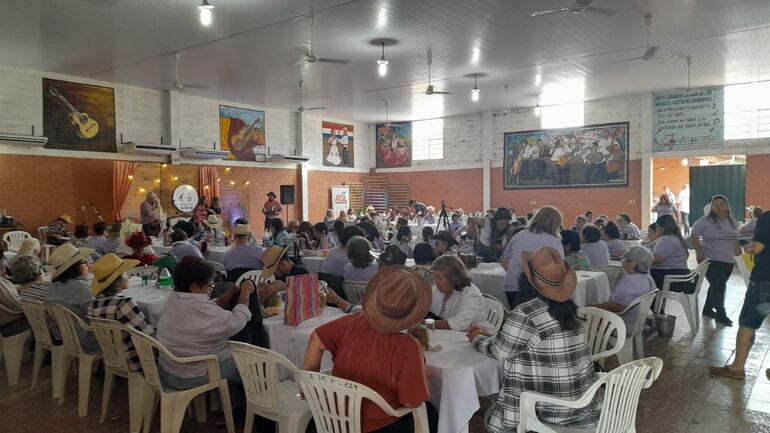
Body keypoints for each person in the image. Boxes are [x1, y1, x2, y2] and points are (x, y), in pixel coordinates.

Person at [467, 246, 599, 433]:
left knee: (491, 416)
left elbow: (497, 351)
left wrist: (476, 338)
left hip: (547, 411)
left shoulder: (527, 313)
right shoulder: (570, 310)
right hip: (579, 405)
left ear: (526, 281)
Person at [304, 266, 431, 433]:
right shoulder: (408, 346)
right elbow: (412, 402)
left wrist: (309, 384)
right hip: (375, 426)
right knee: (430, 413)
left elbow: (316, 338)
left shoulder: (352, 321)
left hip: (332, 420)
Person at [157, 256, 252, 390]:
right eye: (210, 285)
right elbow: (236, 322)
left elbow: (203, 311)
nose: (211, 289)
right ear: (195, 287)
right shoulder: (199, 308)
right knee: (254, 365)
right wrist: (245, 294)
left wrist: (226, 295)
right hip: (189, 376)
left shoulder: (174, 297)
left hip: (167, 369)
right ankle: (242, 403)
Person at [710, 210, 770, 381]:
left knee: (748, 323)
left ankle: (737, 368)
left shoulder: (767, 218)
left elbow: (758, 248)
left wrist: (747, 247)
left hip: (765, 279)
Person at [89, 253, 153, 371]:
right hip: (134, 358)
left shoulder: (94, 302)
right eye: (124, 273)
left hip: (110, 355)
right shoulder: (123, 303)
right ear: (118, 279)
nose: (128, 276)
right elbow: (147, 334)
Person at [691, 195, 742, 326]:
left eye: (722, 204)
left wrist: (737, 251)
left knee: (717, 285)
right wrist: (699, 253)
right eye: (716, 205)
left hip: (728, 260)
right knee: (720, 285)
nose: (719, 207)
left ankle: (708, 309)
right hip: (711, 258)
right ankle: (721, 313)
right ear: (712, 207)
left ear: (727, 206)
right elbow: (694, 235)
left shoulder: (732, 221)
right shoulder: (706, 221)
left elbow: (736, 237)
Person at [502, 206, 563, 308]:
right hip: (537, 289)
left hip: (512, 285)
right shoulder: (553, 241)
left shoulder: (519, 235)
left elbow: (505, 263)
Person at [45, 243, 98, 351]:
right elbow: (95, 314)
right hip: (86, 338)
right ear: (76, 267)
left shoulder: (52, 287)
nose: (87, 265)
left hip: (64, 335)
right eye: (84, 262)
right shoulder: (80, 287)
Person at [593, 247, 657, 336]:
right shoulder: (647, 278)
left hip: (621, 324)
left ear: (633, 264)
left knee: (584, 315)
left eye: (624, 258)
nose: (622, 261)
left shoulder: (630, 280)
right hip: (636, 322)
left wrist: (591, 307)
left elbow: (616, 307)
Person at [428, 255, 484, 331]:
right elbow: (423, 305)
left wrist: (426, 324)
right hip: (447, 334)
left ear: (453, 278)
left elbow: (458, 324)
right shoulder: (437, 288)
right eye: (434, 277)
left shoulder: (471, 294)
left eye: (439, 278)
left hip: (472, 336)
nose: (436, 281)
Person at [650, 215, 691, 292]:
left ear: (663, 228)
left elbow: (657, 259)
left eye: (657, 227)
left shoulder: (667, 240)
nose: (656, 229)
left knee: (640, 278)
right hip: (679, 275)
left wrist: (642, 256)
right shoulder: (675, 238)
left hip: (672, 277)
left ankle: (649, 302)